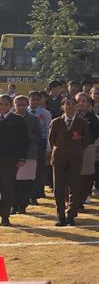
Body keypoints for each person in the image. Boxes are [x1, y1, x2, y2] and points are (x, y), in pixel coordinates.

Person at [49, 97, 90, 227]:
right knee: (58, 188)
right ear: (62, 106)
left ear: (76, 106)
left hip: (75, 158)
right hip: (59, 159)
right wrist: (61, 148)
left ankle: (71, 215)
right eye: (66, 104)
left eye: (72, 104)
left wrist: (75, 150)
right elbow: (52, 140)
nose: (69, 106)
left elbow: (85, 141)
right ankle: (60, 216)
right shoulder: (56, 122)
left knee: (75, 187)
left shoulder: (82, 123)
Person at [0, 95, 29, 226]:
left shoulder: (18, 120)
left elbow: (25, 140)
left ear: (11, 105)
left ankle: (5, 216)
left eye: (6, 104)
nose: (3, 106)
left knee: (7, 187)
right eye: (0, 104)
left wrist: (22, 157)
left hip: (11, 159)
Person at [11, 96, 41, 215]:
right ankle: (13, 205)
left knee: (27, 182)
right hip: (12, 155)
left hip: (30, 154)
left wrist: (26, 134)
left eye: (24, 105)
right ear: (14, 106)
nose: (21, 107)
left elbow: (39, 136)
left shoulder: (34, 119)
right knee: (13, 182)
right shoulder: (9, 119)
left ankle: (23, 205)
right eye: (19, 105)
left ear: (27, 105)